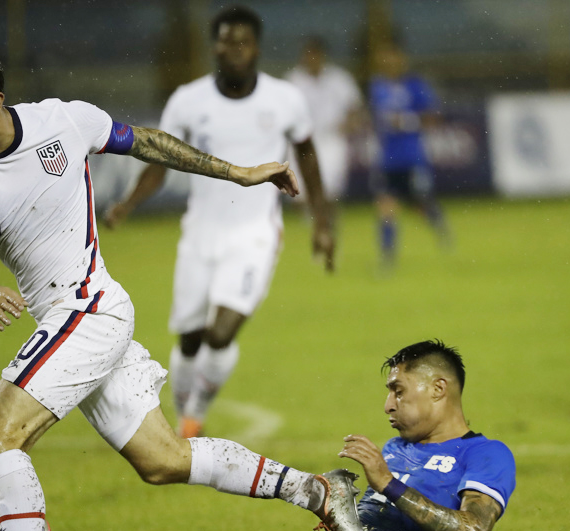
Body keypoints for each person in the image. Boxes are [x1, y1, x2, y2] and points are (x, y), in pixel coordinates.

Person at [0, 43, 366, 531]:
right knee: (162, 461)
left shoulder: (63, 122)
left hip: (90, 308)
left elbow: (150, 142)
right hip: (68, 320)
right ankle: (318, 490)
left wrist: (238, 172)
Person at [39, 340, 515, 531]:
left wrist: (387, 484)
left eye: (398, 390)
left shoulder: (487, 456)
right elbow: (370, 520)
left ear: (438, 388)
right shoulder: (395, 447)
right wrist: (340, 505)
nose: (387, 403)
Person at [104, 6, 334, 439]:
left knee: (221, 332)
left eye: (241, 41)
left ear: (257, 48)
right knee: (190, 339)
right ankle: (182, 415)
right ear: (214, 46)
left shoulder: (284, 99)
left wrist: (321, 221)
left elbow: (307, 154)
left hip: (255, 236)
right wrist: (128, 203)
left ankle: (193, 419)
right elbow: (160, 157)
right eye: (225, 41)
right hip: (200, 235)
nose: (233, 49)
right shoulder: (189, 101)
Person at [368, 43, 451, 269]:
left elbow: (433, 117)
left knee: (420, 204)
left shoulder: (415, 86)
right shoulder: (377, 86)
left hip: (412, 157)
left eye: (393, 57)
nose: (389, 63)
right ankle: (387, 258)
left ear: (401, 59)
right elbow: (377, 117)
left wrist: (405, 121)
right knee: (386, 206)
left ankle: (440, 226)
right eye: (385, 58)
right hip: (388, 158)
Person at [285, 35, 363, 202]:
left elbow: (355, 108)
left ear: (323, 55)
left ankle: (328, 227)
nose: (312, 58)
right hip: (302, 141)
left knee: (331, 192)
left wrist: (348, 124)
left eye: (316, 54)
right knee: (300, 193)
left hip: (331, 138)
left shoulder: (339, 79)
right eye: (309, 54)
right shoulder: (293, 80)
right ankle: (312, 226)